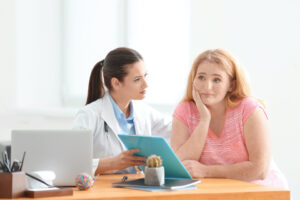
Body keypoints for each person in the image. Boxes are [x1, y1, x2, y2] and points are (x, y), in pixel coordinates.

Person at [171, 49, 288, 189]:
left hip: (260, 191)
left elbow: (260, 170)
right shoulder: (185, 110)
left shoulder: (249, 109)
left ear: (231, 85)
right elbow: (179, 166)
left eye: (216, 79)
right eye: (201, 77)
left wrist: (206, 171)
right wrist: (204, 121)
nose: (207, 86)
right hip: (214, 192)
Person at [73, 47, 171, 175]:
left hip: (136, 188)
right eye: (137, 79)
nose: (145, 85)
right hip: (104, 191)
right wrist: (112, 163)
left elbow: (177, 130)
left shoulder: (144, 112)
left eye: (145, 76)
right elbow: (72, 163)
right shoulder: (89, 115)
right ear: (116, 83)